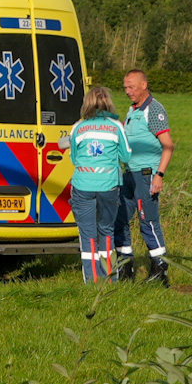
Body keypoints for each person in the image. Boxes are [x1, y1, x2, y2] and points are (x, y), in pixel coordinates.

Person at [63, 85, 129, 283]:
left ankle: (92, 281)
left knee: (88, 234)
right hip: (109, 185)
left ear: (87, 103)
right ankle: (109, 279)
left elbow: (74, 158)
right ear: (108, 102)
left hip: (83, 185)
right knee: (107, 231)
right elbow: (126, 155)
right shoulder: (116, 126)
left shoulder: (79, 126)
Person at [114, 68, 174, 286]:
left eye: (131, 87)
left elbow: (168, 145)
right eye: (125, 87)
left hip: (146, 174)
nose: (127, 91)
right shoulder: (132, 110)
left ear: (144, 85)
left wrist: (159, 175)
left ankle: (159, 271)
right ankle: (125, 269)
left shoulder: (153, 110)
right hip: (129, 174)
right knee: (119, 219)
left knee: (147, 221)